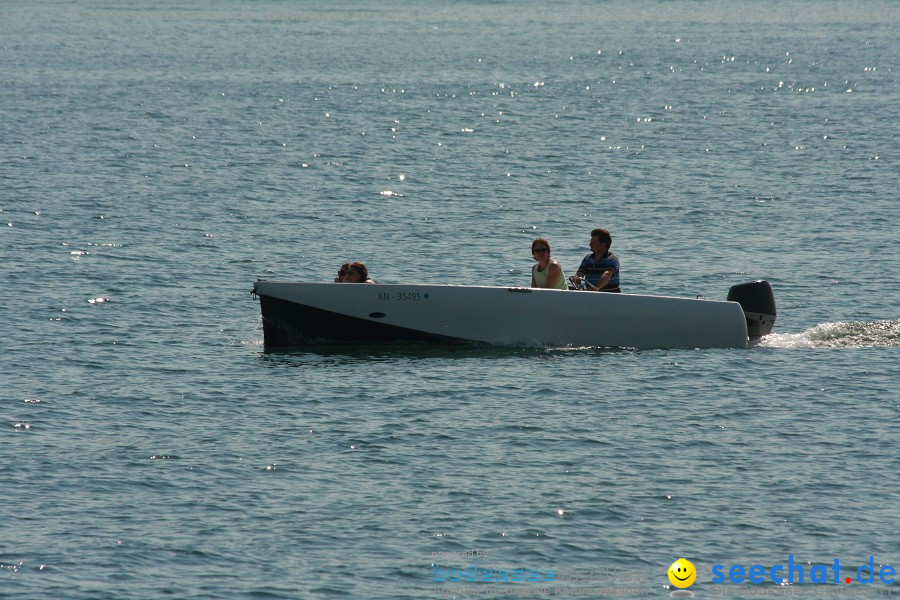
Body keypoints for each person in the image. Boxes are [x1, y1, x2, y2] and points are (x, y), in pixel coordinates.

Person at [573, 228, 621, 292]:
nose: (590, 244)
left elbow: (607, 274)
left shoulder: (612, 259)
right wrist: (576, 285)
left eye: (594, 242)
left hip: (611, 296)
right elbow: (579, 274)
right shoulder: (587, 259)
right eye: (590, 241)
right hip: (591, 295)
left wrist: (596, 288)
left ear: (603, 244)